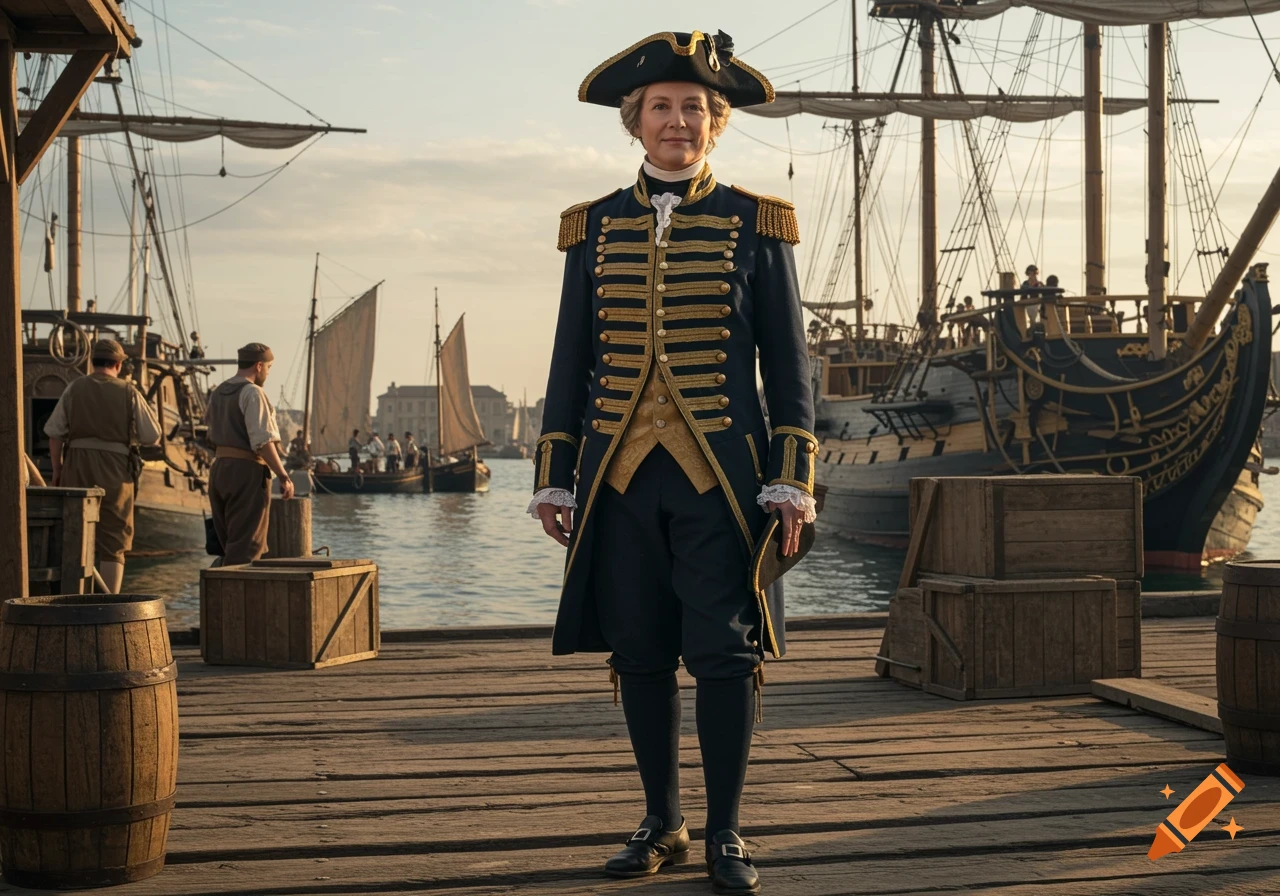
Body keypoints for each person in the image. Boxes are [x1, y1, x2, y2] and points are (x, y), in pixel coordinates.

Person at [529, 30, 817, 895]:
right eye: (662, 107)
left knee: (725, 654)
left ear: (716, 124)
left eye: (695, 108)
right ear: (635, 122)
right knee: (642, 655)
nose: (678, 121)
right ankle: (663, 820)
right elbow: (570, 360)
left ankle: (727, 830)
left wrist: (792, 479)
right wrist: (554, 472)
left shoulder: (753, 223)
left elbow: (788, 365)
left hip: (723, 479)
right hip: (617, 479)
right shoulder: (594, 230)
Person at [44, 339, 162, 593]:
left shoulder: (75, 388)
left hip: (76, 464)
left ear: (92, 362)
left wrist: (58, 469)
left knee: (75, 531)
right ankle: (109, 603)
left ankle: (73, 598)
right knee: (114, 538)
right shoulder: (128, 391)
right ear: (118, 364)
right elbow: (152, 435)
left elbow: (54, 433)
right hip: (116, 468)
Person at [206, 343, 293, 566]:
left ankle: (224, 594)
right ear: (259, 365)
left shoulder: (218, 392)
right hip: (246, 472)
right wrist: (283, 475)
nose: (268, 373)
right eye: (269, 367)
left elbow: (210, 432)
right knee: (246, 546)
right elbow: (263, 441)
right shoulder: (253, 393)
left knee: (228, 543)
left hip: (219, 469)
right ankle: (236, 599)